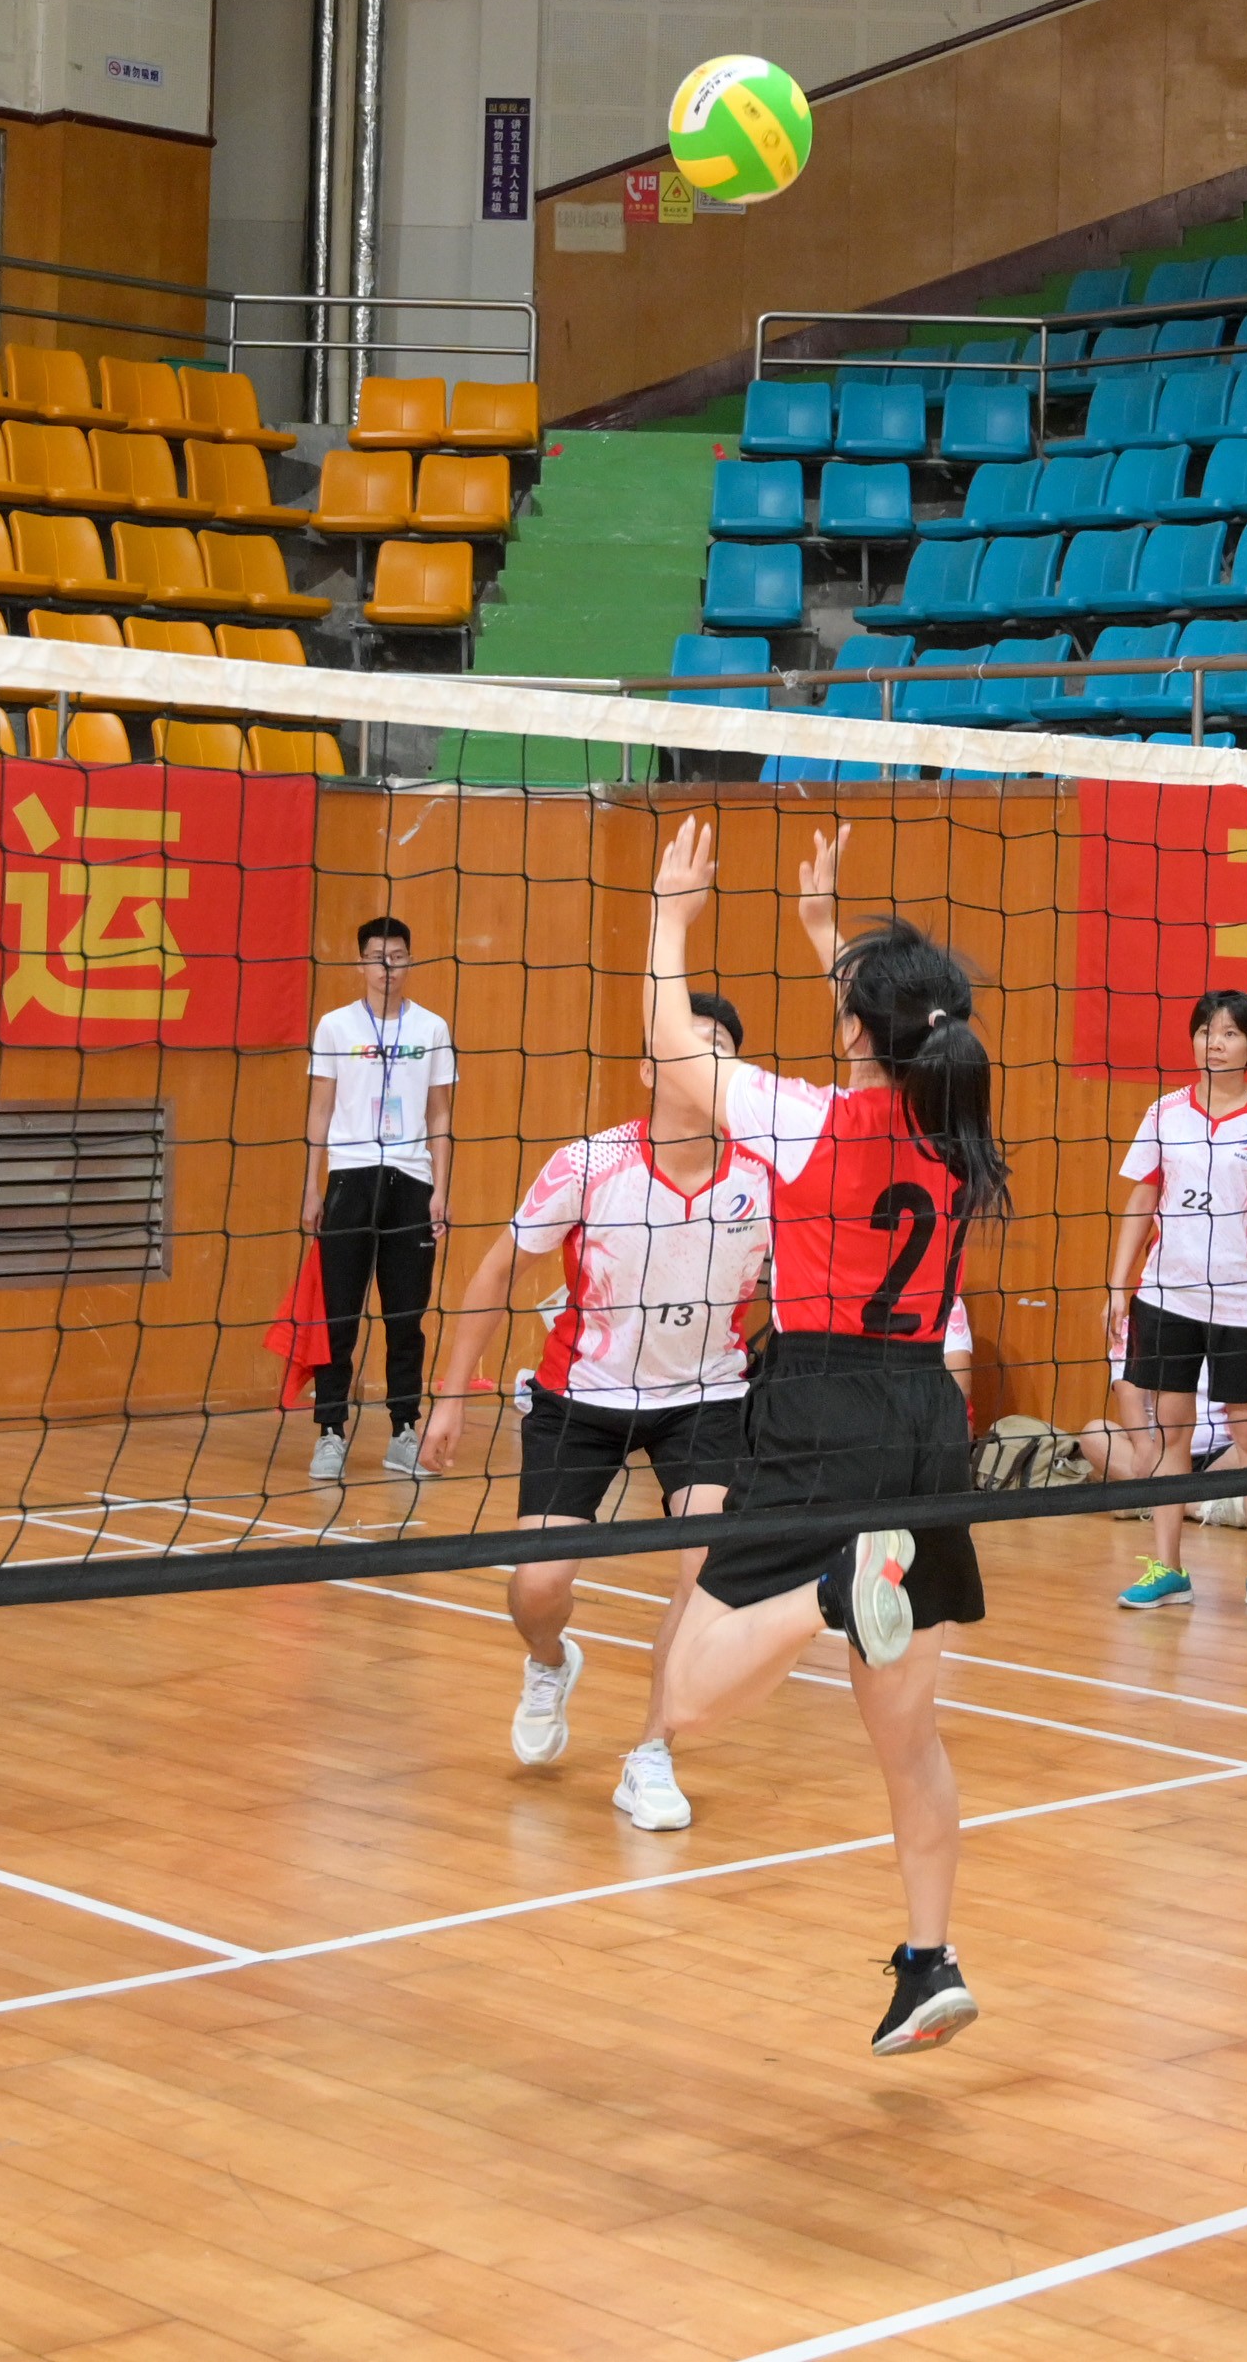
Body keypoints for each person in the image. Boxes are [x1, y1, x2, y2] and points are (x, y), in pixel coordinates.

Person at [631, 817, 1002, 2051]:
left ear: (858, 1034)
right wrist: (826, 936)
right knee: (907, 1738)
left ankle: (835, 1586)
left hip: (819, 1406)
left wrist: (673, 914)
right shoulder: (961, 1136)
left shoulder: (799, 1122)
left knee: (683, 1694)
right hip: (924, 1418)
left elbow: (671, 1041)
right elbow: (898, 1035)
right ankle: (930, 1954)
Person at [416, 992, 768, 1808]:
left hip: (705, 1394)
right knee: (538, 1588)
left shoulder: (766, 1174)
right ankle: (548, 1660)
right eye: (681, 1045)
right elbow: (496, 1272)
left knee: (707, 1565)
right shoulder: (588, 1165)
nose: (697, 1061)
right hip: (583, 1392)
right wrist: (448, 1397)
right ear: (649, 1068)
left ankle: (652, 1752)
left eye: (715, 1048)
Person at [1105, 987, 1247, 1619]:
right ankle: (1168, 1568)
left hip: (1243, 1305)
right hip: (1167, 1297)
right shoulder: (1164, 1113)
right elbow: (1142, 1199)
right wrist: (1119, 1285)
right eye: (1205, 1031)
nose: (1213, 1042)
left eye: (1228, 1033)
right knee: (1171, 1431)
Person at [305, 913, 458, 1482]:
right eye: (376, 956)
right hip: (349, 1178)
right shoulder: (336, 1028)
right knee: (339, 1314)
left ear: (409, 959)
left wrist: (441, 1188)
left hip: (411, 1182)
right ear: (360, 962)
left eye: (397, 955)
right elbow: (320, 1109)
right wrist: (311, 1188)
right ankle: (329, 1432)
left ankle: (403, 1429)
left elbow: (441, 1113)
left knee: (406, 1316)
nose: (387, 967)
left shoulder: (433, 1028)